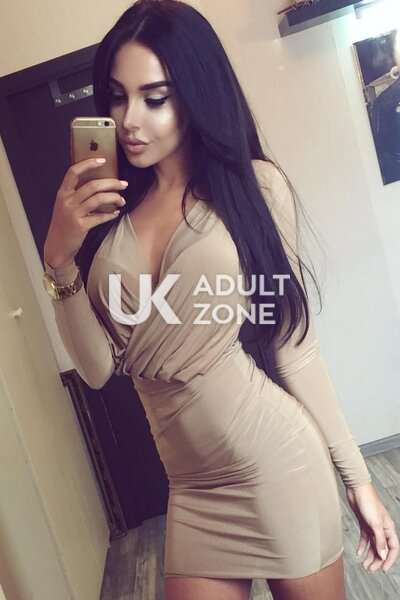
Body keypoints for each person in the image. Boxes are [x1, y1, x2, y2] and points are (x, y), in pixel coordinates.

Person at [42, 1, 399, 598]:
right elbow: (99, 369)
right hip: (192, 493)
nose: (129, 120)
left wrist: (359, 480)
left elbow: (294, 349)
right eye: (118, 97)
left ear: (195, 94)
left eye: (155, 98)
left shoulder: (254, 188)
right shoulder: (105, 220)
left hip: (278, 466)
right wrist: (59, 258)